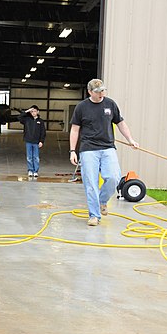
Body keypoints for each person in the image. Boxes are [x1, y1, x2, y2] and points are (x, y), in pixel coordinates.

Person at [69, 78, 139, 226]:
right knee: (91, 184)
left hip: (108, 147)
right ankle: (94, 215)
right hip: (88, 149)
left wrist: (130, 139)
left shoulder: (110, 104)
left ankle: (102, 201)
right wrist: (72, 151)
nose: (101, 93)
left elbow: (120, 123)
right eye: (97, 91)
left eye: (103, 90)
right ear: (89, 92)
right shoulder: (81, 107)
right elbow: (75, 130)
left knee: (113, 178)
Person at [18, 105, 46, 178]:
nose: (33, 113)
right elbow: (19, 117)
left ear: (38, 112)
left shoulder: (41, 121)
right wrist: (27, 111)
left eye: (35, 111)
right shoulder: (27, 120)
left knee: (36, 157)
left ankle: (35, 171)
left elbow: (43, 132)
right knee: (29, 157)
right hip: (28, 141)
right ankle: (30, 170)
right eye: (32, 111)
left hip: (36, 142)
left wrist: (41, 141)